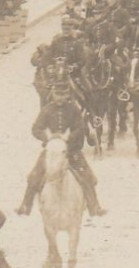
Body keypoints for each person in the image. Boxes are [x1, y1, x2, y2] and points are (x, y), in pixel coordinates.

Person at [18, 84, 106, 217]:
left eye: (63, 94)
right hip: (52, 150)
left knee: (87, 176)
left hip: (71, 150)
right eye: (57, 94)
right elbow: (36, 129)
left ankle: (94, 207)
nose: (60, 98)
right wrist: (47, 137)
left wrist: (69, 138)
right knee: (34, 176)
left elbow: (80, 128)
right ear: (53, 94)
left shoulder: (74, 110)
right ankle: (25, 206)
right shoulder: (47, 110)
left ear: (67, 95)